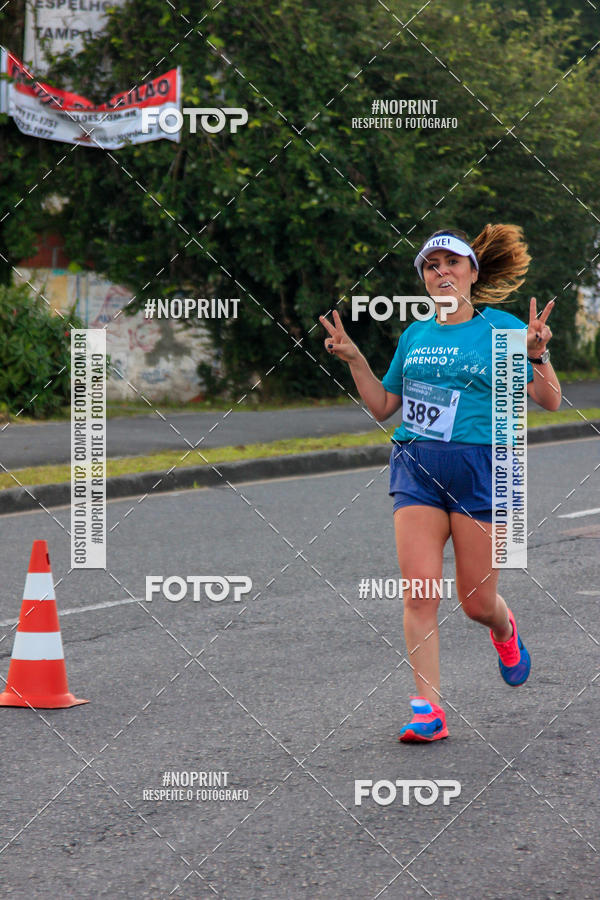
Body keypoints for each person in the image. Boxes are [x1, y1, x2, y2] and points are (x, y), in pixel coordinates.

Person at [319, 224, 561, 742]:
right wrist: (357, 360)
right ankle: (427, 709)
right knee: (420, 591)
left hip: (481, 469)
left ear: (473, 273)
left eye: (451, 262)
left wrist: (537, 353)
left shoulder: (500, 330)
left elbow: (549, 401)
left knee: (474, 601)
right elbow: (386, 407)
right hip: (417, 467)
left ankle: (504, 628)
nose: (441, 271)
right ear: (424, 280)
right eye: (432, 265)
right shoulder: (415, 334)